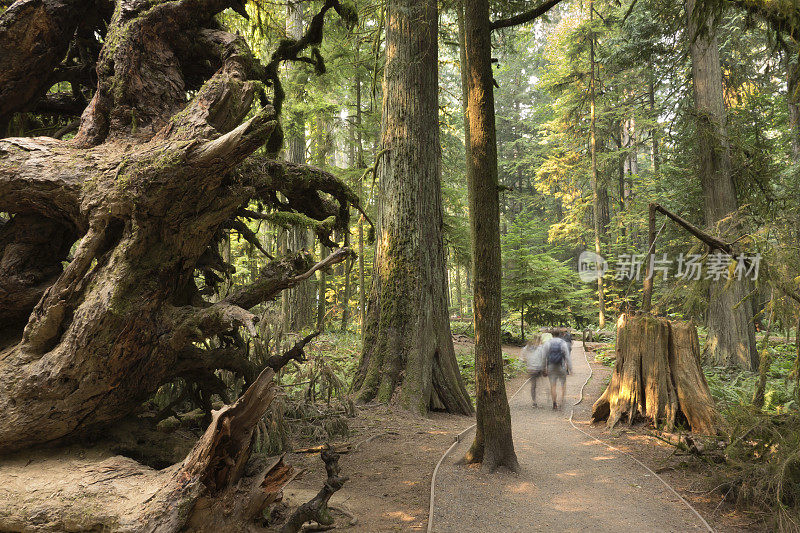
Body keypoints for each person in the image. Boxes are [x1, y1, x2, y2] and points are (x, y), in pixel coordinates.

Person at [542, 330, 572, 410]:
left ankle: (554, 403)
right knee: (563, 384)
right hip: (561, 366)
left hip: (551, 366)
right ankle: (561, 402)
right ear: (560, 335)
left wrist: (544, 368)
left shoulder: (547, 343)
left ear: (552, 335)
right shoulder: (563, 343)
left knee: (553, 385)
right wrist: (570, 368)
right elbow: (567, 357)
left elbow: (543, 357)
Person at [522, 335, 546, 407]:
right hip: (538, 369)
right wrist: (544, 368)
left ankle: (534, 401)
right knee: (539, 385)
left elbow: (523, 359)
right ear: (539, 341)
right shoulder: (541, 348)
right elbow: (544, 359)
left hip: (531, 369)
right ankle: (536, 400)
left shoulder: (526, 348)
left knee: (533, 386)